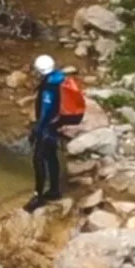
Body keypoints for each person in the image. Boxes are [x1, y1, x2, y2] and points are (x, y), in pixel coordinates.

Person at [24, 54, 86, 213]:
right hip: (56, 125)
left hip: (48, 127)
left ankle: (38, 196)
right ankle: (54, 189)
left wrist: (37, 129)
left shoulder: (49, 87)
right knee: (51, 156)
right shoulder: (59, 79)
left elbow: (46, 110)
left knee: (38, 160)